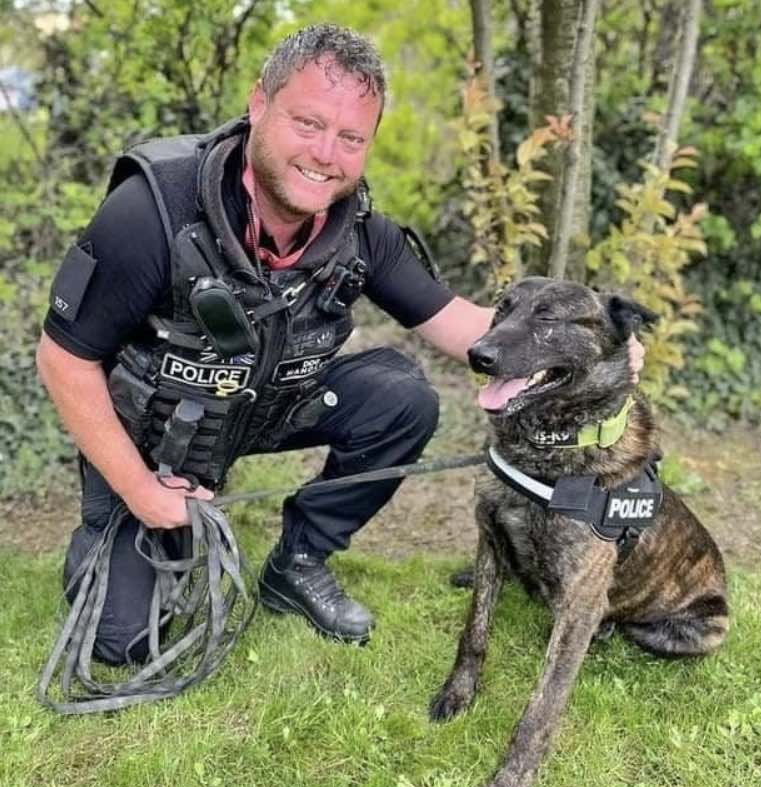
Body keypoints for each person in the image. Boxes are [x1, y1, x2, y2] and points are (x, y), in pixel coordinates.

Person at [37, 24, 642, 659]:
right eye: (308, 123)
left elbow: (465, 325)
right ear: (259, 104)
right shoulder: (151, 212)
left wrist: (596, 343)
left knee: (402, 398)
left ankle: (298, 562)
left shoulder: (362, 230)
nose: (326, 154)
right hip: (161, 433)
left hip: (270, 406)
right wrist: (140, 490)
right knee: (124, 642)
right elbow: (63, 360)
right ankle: (121, 538)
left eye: (351, 138)